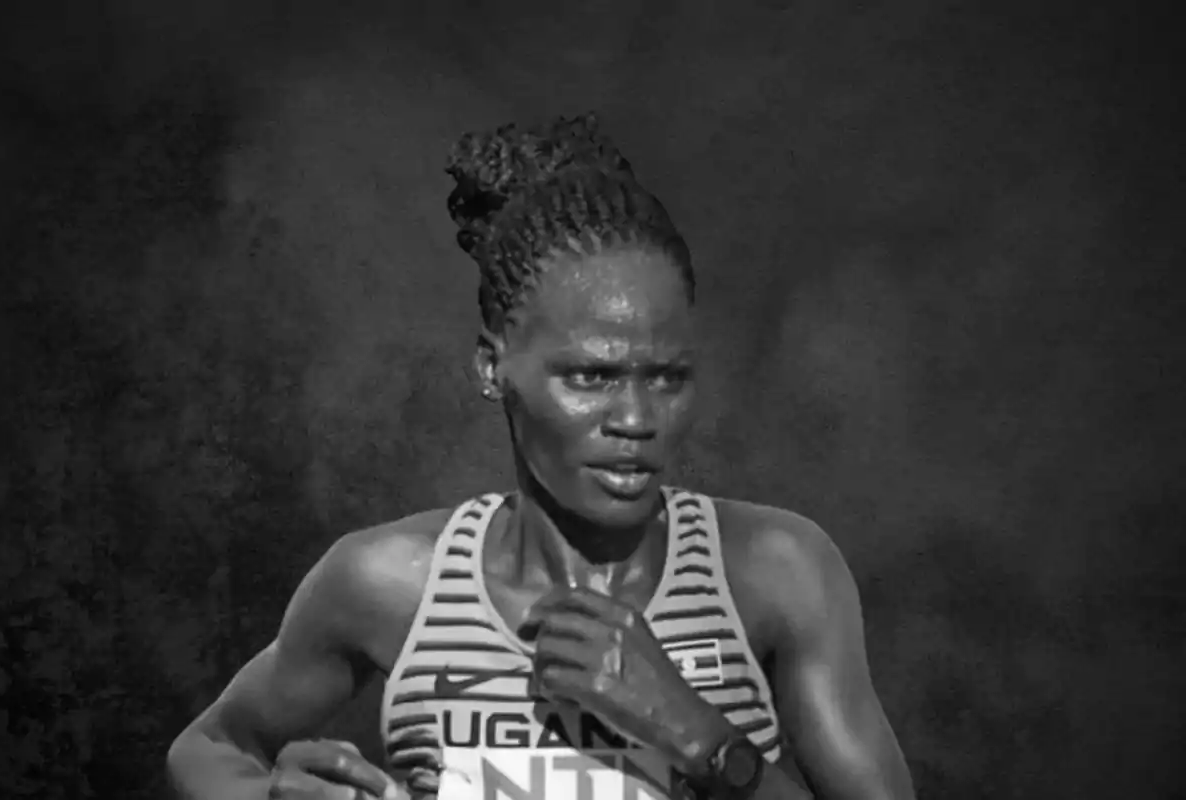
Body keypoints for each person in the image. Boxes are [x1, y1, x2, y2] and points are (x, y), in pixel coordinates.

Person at [167, 113, 915, 800]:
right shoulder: (390, 584)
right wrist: (269, 798)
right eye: (591, 376)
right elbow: (207, 748)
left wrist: (701, 737)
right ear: (494, 368)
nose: (635, 418)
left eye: (667, 378)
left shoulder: (773, 572)